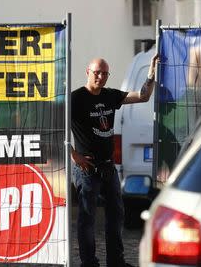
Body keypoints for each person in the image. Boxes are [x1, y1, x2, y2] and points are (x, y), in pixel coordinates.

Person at [71, 54, 158, 267]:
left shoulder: (110, 96)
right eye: (96, 72)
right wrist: (74, 155)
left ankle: (116, 261)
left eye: (105, 73)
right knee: (87, 219)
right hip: (87, 168)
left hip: (108, 167)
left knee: (116, 216)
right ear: (88, 72)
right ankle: (89, 263)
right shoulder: (76, 98)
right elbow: (58, 129)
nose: (100, 76)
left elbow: (143, 96)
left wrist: (151, 72)